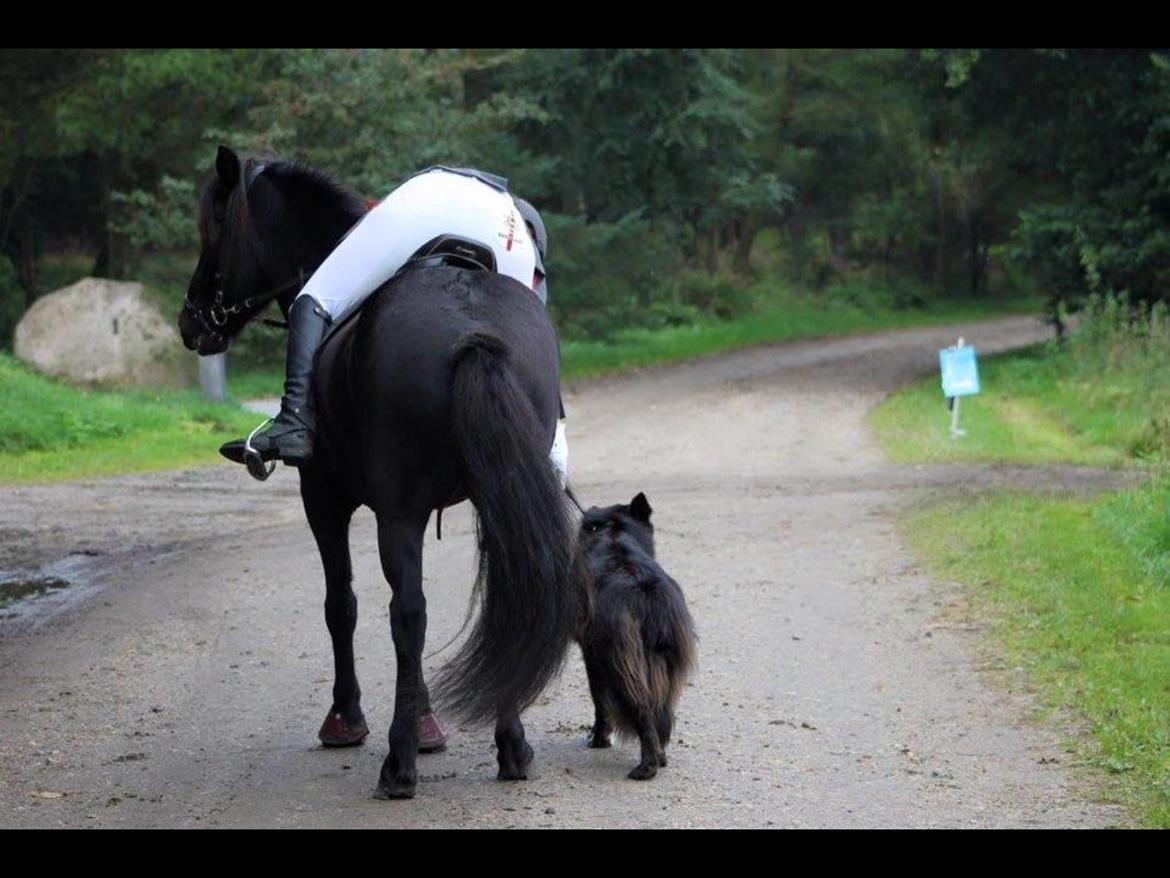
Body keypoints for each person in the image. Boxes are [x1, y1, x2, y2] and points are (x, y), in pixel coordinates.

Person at [228, 165, 568, 485]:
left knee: (313, 300)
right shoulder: (529, 254)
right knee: (526, 337)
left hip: (425, 202)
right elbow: (538, 355)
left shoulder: (419, 192)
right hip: (507, 231)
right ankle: (553, 448)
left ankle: (295, 422)